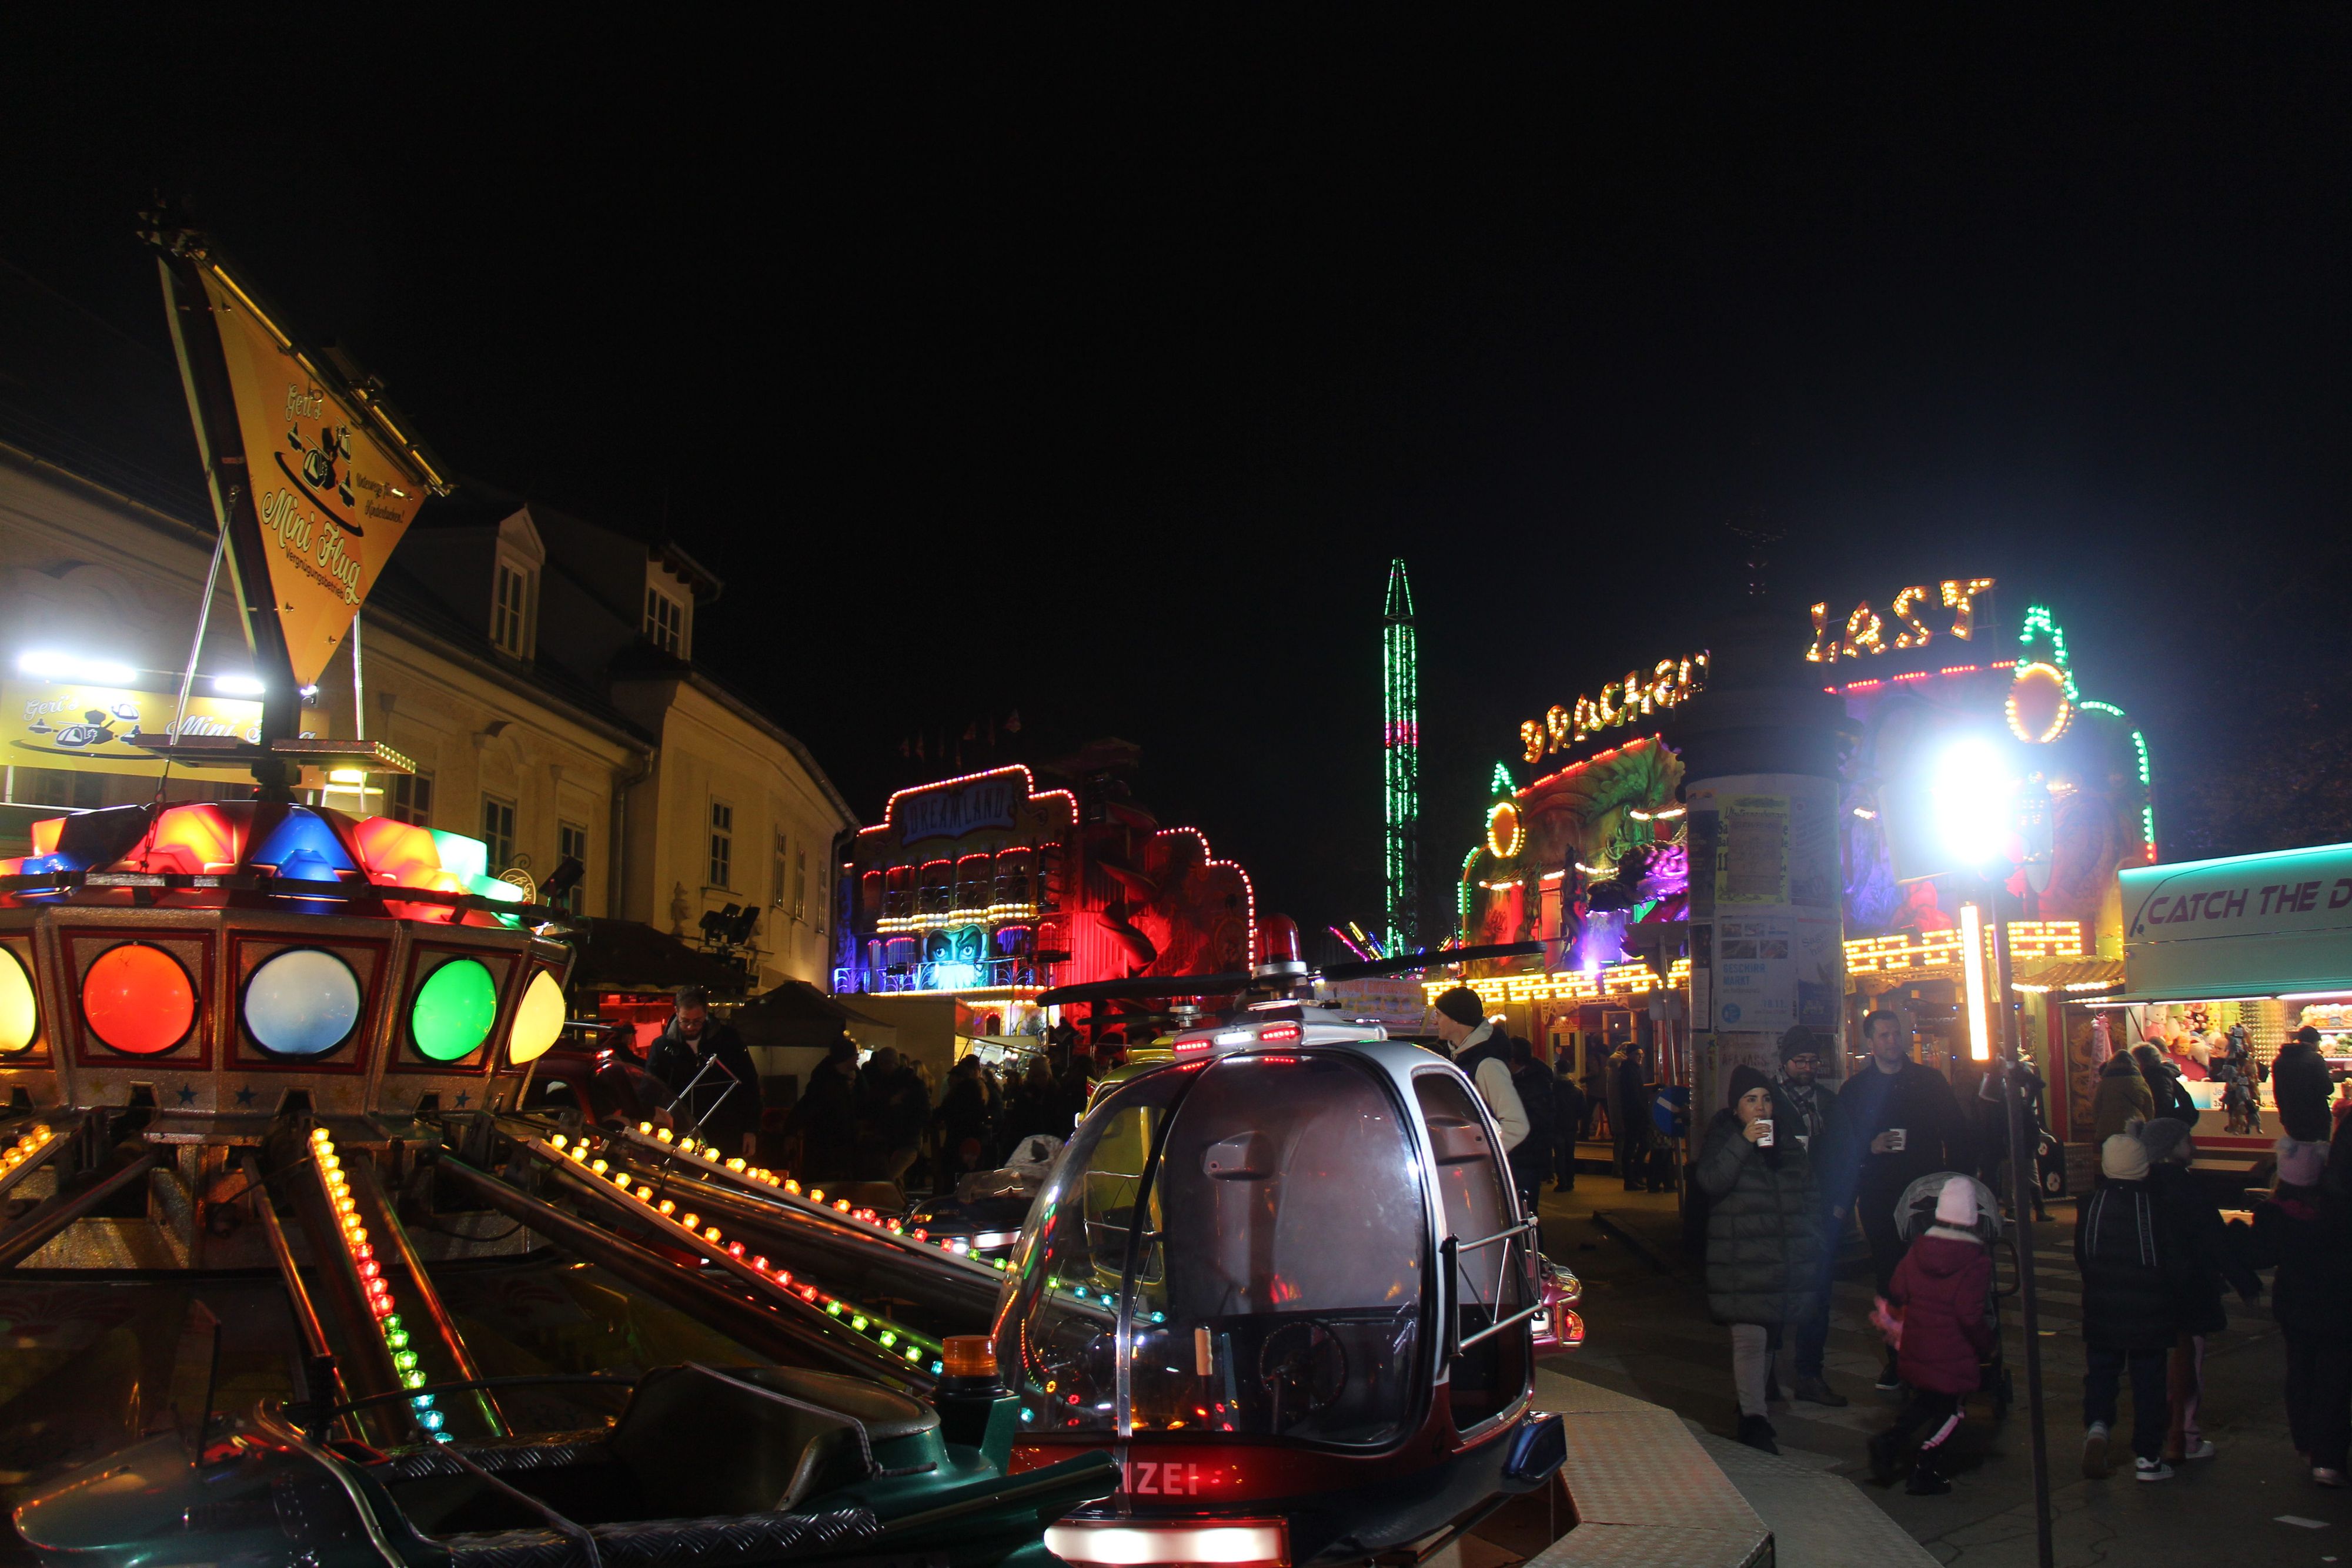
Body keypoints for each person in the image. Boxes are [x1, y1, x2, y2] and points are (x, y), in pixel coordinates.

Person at [1838, 1009, 1976, 1390]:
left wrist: (1959, 1184)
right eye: (1883, 1035)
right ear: (1870, 1043)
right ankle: (1898, 1359)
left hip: (1925, 1193)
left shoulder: (1928, 1082)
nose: (1891, 1041)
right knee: (1889, 1277)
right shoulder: (1856, 1090)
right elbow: (1841, 1145)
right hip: (1881, 1196)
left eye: (1896, 1034)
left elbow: (1958, 1133)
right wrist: (1870, 1146)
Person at [1696, 1064, 1822, 1455]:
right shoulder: (1724, 1138)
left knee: (1768, 1337)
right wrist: (1743, 1142)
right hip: (1740, 1260)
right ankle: (1753, 1419)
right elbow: (1711, 1182)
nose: (1761, 1107)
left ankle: (1754, 1405)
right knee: (1750, 1337)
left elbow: (1807, 1194)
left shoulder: (1786, 1145)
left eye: (1766, 1099)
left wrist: (1811, 1239)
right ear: (1737, 1108)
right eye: (1751, 1100)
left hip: (1778, 1260)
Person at [2138, 1118, 2260, 1465]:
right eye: (2185, 1139)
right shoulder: (2188, 1188)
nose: (2192, 1145)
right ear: (2171, 1147)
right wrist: (2245, 1281)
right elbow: (2214, 1239)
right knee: (2189, 1362)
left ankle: (2157, 1437)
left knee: (2156, 1365)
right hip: (2190, 1286)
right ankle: (2186, 1435)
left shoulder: (2141, 1188)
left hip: (2152, 1289)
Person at [1867, 1179, 1995, 1496]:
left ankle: (1889, 1442)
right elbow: (1969, 1315)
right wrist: (1986, 1345)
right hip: (1952, 1350)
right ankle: (1924, 1468)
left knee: (1926, 1400)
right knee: (1953, 1410)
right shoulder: (1975, 1262)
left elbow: (1897, 1289)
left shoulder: (1918, 1250)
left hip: (1918, 1343)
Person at [2076, 1133, 2186, 1482]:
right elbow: (2171, 1259)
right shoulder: (2156, 1205)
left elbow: (2084, 1256)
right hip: (2149, 1312)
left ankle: (2097, 1428)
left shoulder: (2090, 1204)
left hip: (2101, 1306)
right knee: (2149, 1382)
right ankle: (2148, 1458)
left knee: (2101, 1373)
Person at [2247, 1138, 2352, 1486]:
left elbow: (2260, 1255)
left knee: (2300, 1370)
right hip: (2337, 1302)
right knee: (2334, 1379)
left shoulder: (2274, 1212)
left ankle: (2305, 1444)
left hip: (2294, 1303)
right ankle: (2329, 1458)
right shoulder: (2337, 1209)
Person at [1773, 1024, 1847, 1408]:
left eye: (1812, 1060)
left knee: (1817, 1296)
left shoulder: (1829, 1102)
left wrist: (1838, 1205)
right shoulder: (1768, 1102)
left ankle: (1809, 1374)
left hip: (1819, 1214)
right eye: (1799, 1060)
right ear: (1785, 1061)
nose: (1806, 1067)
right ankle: (1766, 1376)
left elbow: (1842, 1155)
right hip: (1778, 1215)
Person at [644, 985, 761, 1158]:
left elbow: (749, 1084)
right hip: (679, 1133)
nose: (691, 1027)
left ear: (706, 1013)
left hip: (725, 1131)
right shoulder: (662, 1047)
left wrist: (751, 1129)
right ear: (676, 1012)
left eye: (698, 1021)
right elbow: (649, 1088)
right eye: (685, 1021)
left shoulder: (728, 1040)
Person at [1430, 988, 1531, 1169]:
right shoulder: (1458, 1055)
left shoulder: (1487, 1065)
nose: (1435, 1021)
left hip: (1486, 1172)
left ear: (1456, 1019)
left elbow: (1517, 1126)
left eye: (1439, 1015)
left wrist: (1480, 1158)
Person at [781, 1038, 861, 1181]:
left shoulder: (848, 1079)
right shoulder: (824, 1085)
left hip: (841, 1148)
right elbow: (807, 1107)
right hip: (827, 1149)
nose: (858, 1058)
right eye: (855, 1055)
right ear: (846, 1057)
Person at [861, 1047, 931, 1186]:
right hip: (899, 1140)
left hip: (903, 1140)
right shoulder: (912, 1083)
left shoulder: (884, 1083)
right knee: (894, 1179)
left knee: (888, 1178)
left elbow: (923, 1113)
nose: (882, 1067)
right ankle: (899, 1204)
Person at [1507, 1038, 1556, 1213]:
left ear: (1512, 1059)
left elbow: (1540, 1119)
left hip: (1526, 1153)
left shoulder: (1532, 1082)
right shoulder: (1527, 1079)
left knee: (1526, 1209)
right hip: (1524, 1152)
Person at [2276, 1026, 2333, 1145]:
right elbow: (2328, 1089)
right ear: (2315, 1043)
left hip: (2291, 1118)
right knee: (2318, 1156)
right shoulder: (2315, 1059)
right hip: (2316, 1118)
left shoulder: (2280, 1060)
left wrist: (2283, 1116)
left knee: (2299, 1153)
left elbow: (2278, 1092)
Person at [1611, 1043, 1655, 1191]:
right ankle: (1631, 1179)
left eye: (1642, 1054)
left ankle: (1635, 1176)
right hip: (1634, 1115)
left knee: (1641, 1145)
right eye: (1637, 1054)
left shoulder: (1632, 1070)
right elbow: (1633, 1094)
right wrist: (1643, 1110)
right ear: (1629, 1055)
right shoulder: (1628, 1071)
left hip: (1636, 1114)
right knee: (1633, 1146)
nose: (1641, 1057)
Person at [2092, 1048, 2155, 1141]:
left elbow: (2096, 1107)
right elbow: (2149, 1108)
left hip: (2108, 1128)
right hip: (2134, 1128)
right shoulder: (2139, 1081)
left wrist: (2100, 1125)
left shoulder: (2105, 1083)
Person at [2132, 1043, 2197, 1128]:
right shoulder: (2164, 1075)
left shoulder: (2155, 1077)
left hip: (2158, 1128)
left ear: (2141, 1061)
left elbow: (2162, 1106)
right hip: (2163, 1126)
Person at [1552, 1057, 1588, 1191]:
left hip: (1557, 1125)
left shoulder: (1552, 1089)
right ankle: (1570, 1181)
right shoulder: (1577, 1091)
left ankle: (1562, 1182)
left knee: (1560, 1155)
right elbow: (1583, 1110)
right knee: (1569, 1154)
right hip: (1571, 1126)